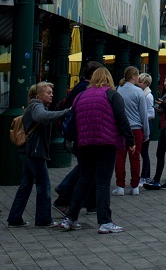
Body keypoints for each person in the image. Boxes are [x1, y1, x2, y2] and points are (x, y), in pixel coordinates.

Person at [59, 66, 135, 234]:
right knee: (102, 182)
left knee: (84, 180)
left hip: (84, 144)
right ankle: (105, 221)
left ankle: (70, 218)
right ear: (109, 79)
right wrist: (130, 140)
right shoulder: (112, 95)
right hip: (106, 143)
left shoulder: (81, 96)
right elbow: (122, 119)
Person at [7, 82, 70, 228]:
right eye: (48, 92)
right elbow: (43, 117)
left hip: (28, 151)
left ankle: (15, 218)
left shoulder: (34, 106)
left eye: (51, 92)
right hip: (34, 151)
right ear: (39, 95)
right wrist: (66, 112)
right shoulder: (37, 106)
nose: (52, 94)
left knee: (26, 184)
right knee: (43, 184)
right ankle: (43, 219)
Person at [54, 59, 102, 213]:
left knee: (88, 167)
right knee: (86, 167)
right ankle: (65, 193)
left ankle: (89, 201)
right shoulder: (86, 89)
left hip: (78, 133)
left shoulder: (79, 87)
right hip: (82, 134)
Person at [112, 66, 149, 196]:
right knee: (135, 157)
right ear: (133, 76)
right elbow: (143, 114)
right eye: (137, 75)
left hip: (121, 129)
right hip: (136, 128)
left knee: (120, 158)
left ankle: (120, 185)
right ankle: (134, 186)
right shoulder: (139, 92)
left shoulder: (117, 90)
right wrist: (146, 132)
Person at [137, 73, 155, 186]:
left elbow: (151, 114)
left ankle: (145, 176)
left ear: (146, 83)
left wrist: (141, 116)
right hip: (144, 123)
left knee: (144, 152)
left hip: (146, 124)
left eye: (140, 82)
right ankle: (146, 175)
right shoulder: (143, 94)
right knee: (143, 152)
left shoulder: (148, 96)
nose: (138, 84)